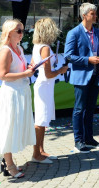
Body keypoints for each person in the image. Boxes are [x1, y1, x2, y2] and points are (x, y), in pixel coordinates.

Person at [0, 19, 35, 178]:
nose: (22, 34)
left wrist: (28, 69)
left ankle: (7, 162)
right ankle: (9, 164)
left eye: (22, 30)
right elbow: (3, 75)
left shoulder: (19, 48)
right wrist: (25, 74)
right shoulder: (5, 51)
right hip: (10, 95)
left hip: (21, 92)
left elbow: (18, 69)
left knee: (14, 128)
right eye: (18, 31)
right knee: (8, 128)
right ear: (9, 33)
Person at [64, 3, 99, 153]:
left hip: (96, 74)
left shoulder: (97, 32)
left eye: (95, 13)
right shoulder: (74, 33)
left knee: (90, 108)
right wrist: (88, 60)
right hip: (82, 75)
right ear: (84, 16)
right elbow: (68, 56)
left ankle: (89, 138)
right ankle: (78, 140)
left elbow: (98, 52)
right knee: (79, 109)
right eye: (92, 14)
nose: (95, 16)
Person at [31, 18, 68, 163]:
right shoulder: (44, 47)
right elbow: (48, 74)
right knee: (40, 121)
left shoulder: (38, 46)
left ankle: (40, 150)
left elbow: (35, 66)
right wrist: (61, 70)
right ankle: (36, 154)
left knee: (43, 120)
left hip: (44, 85)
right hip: (45, 84)